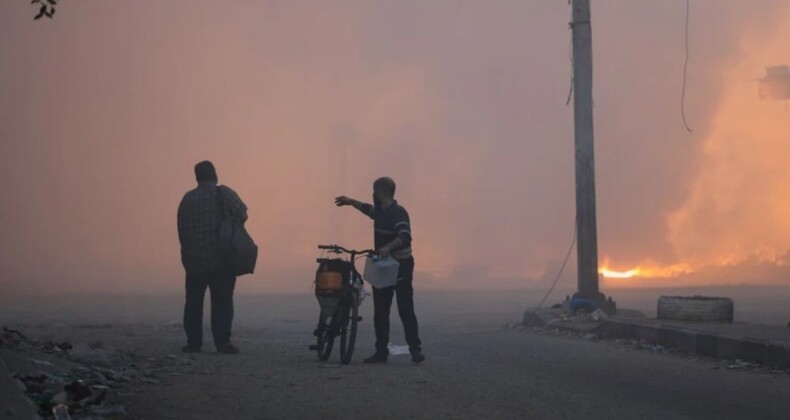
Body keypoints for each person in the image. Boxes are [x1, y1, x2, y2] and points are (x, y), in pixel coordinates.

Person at [335, 177, 425, 364]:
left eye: (374, 191)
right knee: (381, 310)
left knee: (405, 308)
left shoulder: (398, 213)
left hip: (401, 266)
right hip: (383, 268)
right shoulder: (381, 212)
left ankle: (415, 349)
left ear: (380, 192)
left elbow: (405, 236)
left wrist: (388, 248)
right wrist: (350, 201)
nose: (372, 195)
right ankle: (381, 351)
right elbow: (368, 209)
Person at [177, 161, 248, 354]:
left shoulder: (187, 198)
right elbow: (242, 213)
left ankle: (193, 343)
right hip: (221, 260)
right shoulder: (223, 193)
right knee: (222, 301)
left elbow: (181, 230)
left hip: (193, 261)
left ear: (197, 177)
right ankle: (222, 343)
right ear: (215, 175)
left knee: (193, 303)